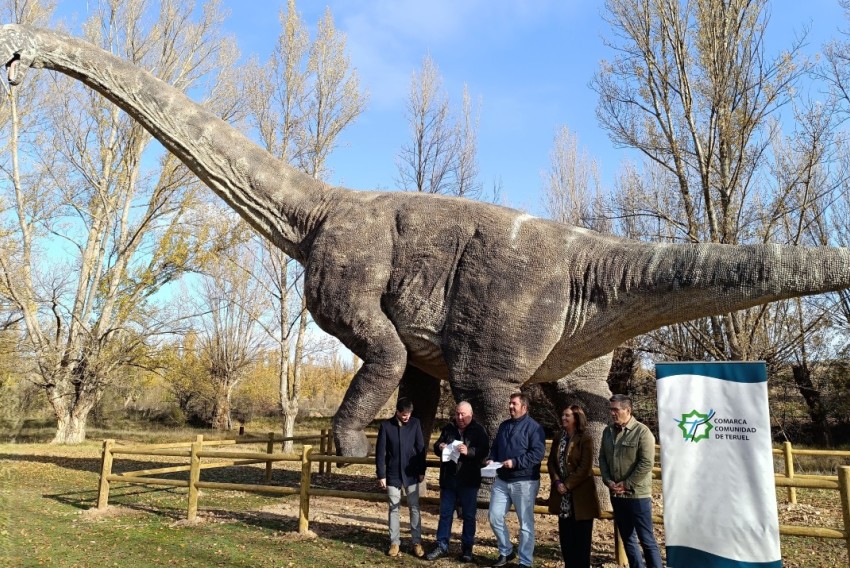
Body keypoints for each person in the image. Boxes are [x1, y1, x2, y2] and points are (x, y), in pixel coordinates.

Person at [599, 394, 662, 568]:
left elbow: (647, 463)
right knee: (628, 539)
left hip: (637, 496)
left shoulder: (642, 432)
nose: (612, 413)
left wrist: (627, 484)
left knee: (646, 539)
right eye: (610, 409)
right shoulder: (607, 432)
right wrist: (608, 480)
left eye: (615, 409)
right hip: (617, 495)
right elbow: (602, 458)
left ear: (627, 410)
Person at [486, 392, 546, 568]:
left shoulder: (535, 428)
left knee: (525, 524)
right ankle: (506, 551)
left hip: (525, 482)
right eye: (510, 403)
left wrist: (516, 462)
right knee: (494, 517)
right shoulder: (504, 426)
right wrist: (492, 458)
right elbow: (496, 447)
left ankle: (525, 562)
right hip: (502, 481)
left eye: (514, 404)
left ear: (524, 407)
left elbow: (537, 454)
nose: (510, 406)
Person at [426, 401, 490, 563]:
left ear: (471, 415)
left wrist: (469, 451)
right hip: (449, 480)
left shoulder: (479, 430)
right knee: (445, 514)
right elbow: (435, 445)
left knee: (468, 516)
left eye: (463, 415)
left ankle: (467, 548)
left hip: (469, 481)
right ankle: (442, 545)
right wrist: (439, 446)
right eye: (457, 414)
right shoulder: (449, 428)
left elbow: (484, 452)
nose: (460, 417)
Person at [547, 405, 601, 568]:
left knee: (581, 543)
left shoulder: (585, 439)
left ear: (576, 418)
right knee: (567, 541)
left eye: (567, 415)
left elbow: (585, 467)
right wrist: (557, 482)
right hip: (562, 498)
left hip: (581, 497)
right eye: (563, 415)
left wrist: (568, 485)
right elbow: (551, 463)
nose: (564, 418)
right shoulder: (558, 437)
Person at [376, 397, 426, 558]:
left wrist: (421, 470)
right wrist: (381, 474)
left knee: (414, 507)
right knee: (393, 508)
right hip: (392, 474)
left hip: (411, 474)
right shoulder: (385, 426)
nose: (407, 417)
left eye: (409, 414)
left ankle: (417, 542)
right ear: (397, 412)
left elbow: (420, 448)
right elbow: (380, 452)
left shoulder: (415, 423)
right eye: (404, 414)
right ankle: (394, 542)